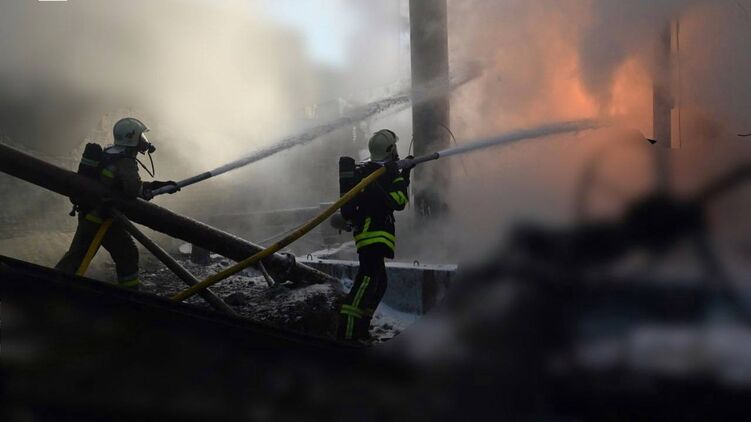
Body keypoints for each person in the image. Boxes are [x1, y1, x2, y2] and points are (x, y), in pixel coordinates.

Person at [55, 117, 177, 288]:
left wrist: (157, 186)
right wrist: (156, 187)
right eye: (141, 137)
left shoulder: (109, 152)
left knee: (79, 255)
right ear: (131, 138)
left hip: (92, 214)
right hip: (102, 217)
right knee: (126, 254)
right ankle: (129, 294)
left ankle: (51, 284)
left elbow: (120, 185)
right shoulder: (125, 161)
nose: (144, 141)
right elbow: (133, 189)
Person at [337, 129, 413, 342]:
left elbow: (392, 195)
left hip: (373, 234)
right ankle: (347, 335)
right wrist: (401, 173)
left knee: (379, 283)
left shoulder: (374, 170)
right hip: (373, 234)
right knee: (367, 281)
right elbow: (399, 201)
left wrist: (404, 172)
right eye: (394, 146)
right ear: (390, 149)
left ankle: (361, 330)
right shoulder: (381, 173)